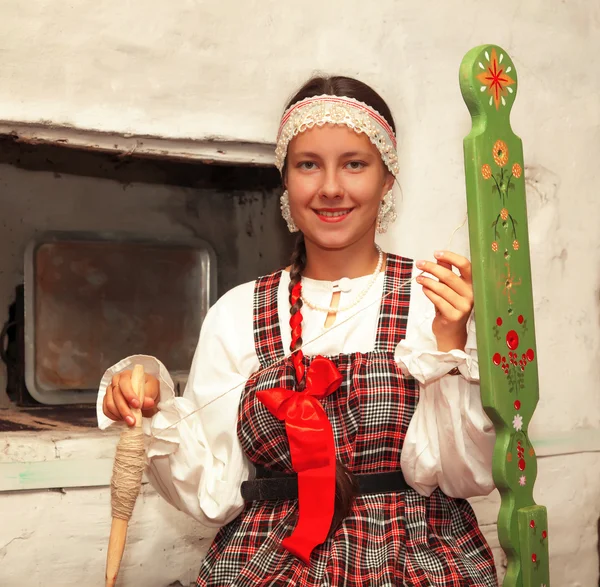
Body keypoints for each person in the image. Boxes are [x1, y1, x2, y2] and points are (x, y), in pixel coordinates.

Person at [98, 76, 498, 586]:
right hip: (269, 563)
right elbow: (215, 493)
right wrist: (149, 409)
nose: (330, 187)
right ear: (286, 181)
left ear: (387, 179)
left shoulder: (435, 299)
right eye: (308, 164)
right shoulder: (237, 312)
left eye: (354, 163)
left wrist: (449, 343)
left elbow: (470, 475)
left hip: (413, 558)